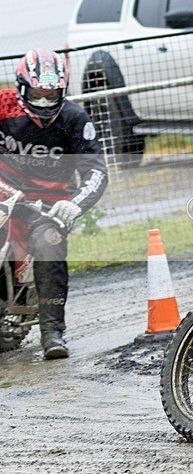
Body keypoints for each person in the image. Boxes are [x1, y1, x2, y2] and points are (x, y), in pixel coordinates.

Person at [0, 49, 107, 359]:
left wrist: (74, 205)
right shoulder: (4, 107)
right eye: (38, 94)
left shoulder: (75, 119)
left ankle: (52, 332)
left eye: (52, 95)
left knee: (50, 242)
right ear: (22, 88)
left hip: (44, 206)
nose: (45, 102)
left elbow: (96, 171)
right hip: (4, 194)